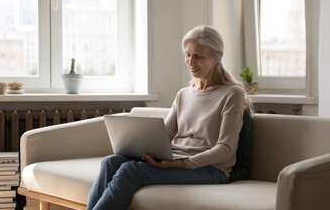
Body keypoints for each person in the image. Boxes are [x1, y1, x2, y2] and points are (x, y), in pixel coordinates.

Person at [86, 25, 251, 210]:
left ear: (216, 58)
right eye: (187, 55)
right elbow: (163, 136)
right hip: (176, 158)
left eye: (198, 56)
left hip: (212, 169)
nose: (190, 61)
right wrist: (142, 148)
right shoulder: (183, 94)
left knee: (130, 171)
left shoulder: (232, 93)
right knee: (110, 162)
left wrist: (183, 164)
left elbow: (225, 150)